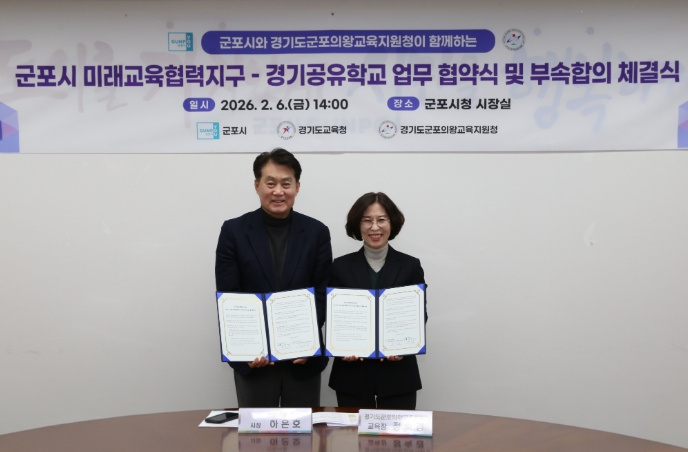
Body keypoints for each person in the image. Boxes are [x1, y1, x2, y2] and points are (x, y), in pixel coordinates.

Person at [215, 148, 331, 407]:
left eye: (286, 184)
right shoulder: (233, 231)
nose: (278, 191)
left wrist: (305, 342)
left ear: (297, 187)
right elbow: (229, 295)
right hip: (254, 362)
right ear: (257, 185)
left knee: (303, 431)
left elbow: (323, 293)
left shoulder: (317, 232)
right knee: (256, 431)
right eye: (270, 183)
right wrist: (248, 348)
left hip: (302, 361)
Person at [328, 192, 427, 409]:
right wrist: (342, 348)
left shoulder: (410, 266)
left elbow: (420, 316)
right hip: (351, 374)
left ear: (392, 223)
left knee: (397, 432)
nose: (374, 227)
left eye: (381, 219)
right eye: (367, 220)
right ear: (358, 224)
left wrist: (404, 346)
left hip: (398, 374)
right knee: (352, 431)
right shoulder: (340, 266)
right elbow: (333, 318)